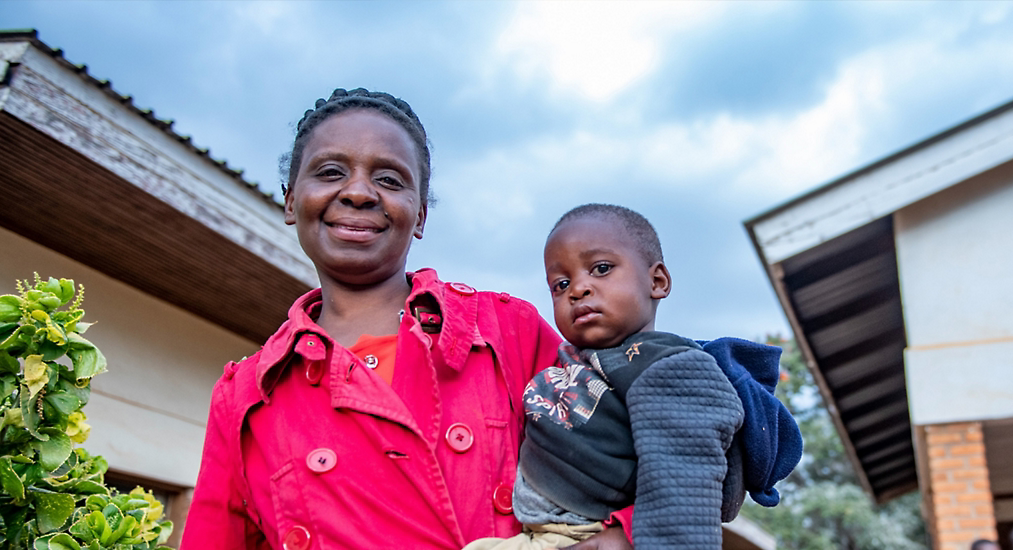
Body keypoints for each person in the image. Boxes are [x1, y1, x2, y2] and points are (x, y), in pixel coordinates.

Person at [181, 89, 628, 549]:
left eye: (390, 180)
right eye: (330, 172)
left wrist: (616, 540)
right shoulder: (245, 397)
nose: (357, 192)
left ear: (419, 215)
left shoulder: (505, 329)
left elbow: (641, 446)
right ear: (291, 201)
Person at [466, 204, 801, 549]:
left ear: (657, 281)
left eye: (601, 268)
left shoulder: (669, 366)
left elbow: (683, 484)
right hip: (541, 529)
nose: (577, 289)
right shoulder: (584, 359)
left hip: (582, 535)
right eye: (561, 284)